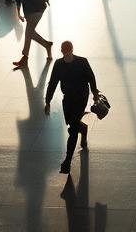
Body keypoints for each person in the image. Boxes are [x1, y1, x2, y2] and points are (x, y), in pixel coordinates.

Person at [44, 40, 100, 174]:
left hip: (81, 97)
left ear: (71, 50)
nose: (66, 54)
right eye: (64, 52)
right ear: (62, 51)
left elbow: (91, 78)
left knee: (73, 129)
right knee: (71, 123)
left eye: (67, 51)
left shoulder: (82, 62)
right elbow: (53, 82)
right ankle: (84, 128)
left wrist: (94, 93)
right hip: (67, 98)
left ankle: (67, 161)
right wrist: (48, 101)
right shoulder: (58, 64)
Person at [12, 0, 53, 69]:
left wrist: (19, 14)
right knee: (31, 33)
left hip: (37, 11)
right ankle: (47, 45)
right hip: (31, 12)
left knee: (28, 33)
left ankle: (24, 58)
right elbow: (18, 1)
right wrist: (19, 14)